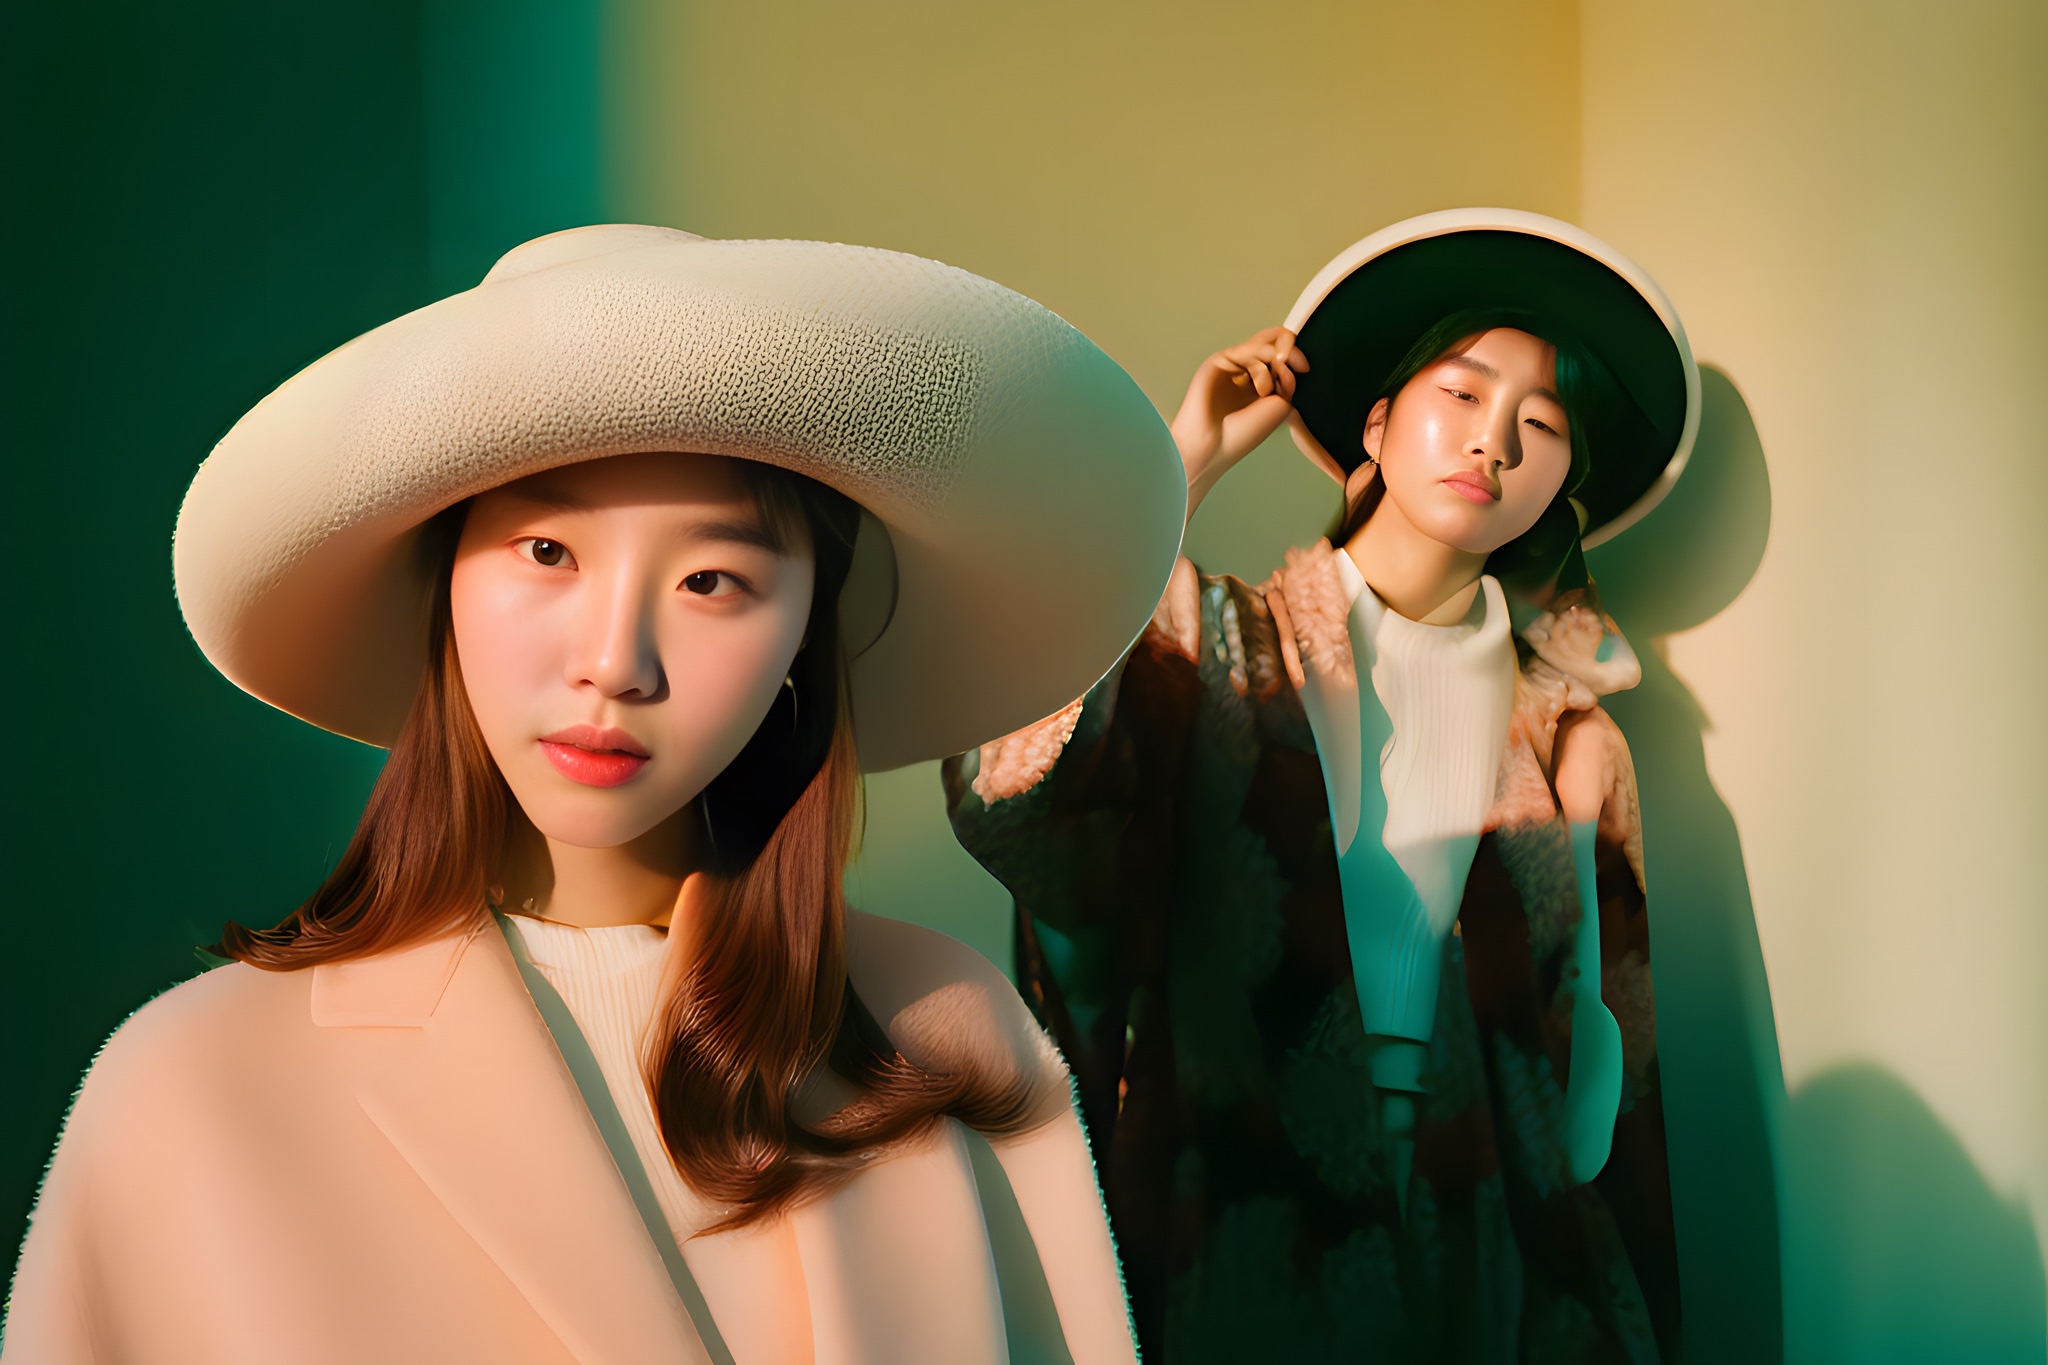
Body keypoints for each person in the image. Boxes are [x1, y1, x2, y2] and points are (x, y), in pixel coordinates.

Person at [3, 224, 1188, 1364]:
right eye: (548, 555)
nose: (615, 660)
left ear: (802, 641)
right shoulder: (192, 1088)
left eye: (714, 578)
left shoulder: (945, 1029)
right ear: (442, 585)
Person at [946, 210, 1696, 1363]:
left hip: (1499, 1265)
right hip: (1238, 1235)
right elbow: (1013, 784)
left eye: (1539, 425)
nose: (1492, 442)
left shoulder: (1568, 732)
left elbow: (1620, 1083)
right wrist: (1176, 463)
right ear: (1378, 420)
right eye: (1460, 393)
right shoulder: (1213, 647)